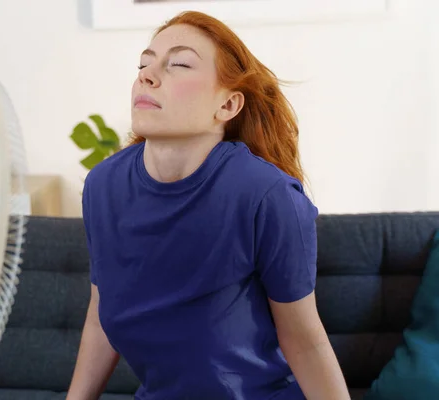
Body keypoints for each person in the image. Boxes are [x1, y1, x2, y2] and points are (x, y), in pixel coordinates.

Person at [67, 10, 350, 400]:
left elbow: (304, 341)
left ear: (228, 106)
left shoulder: (266, 195)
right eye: (143, 64)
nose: (147, 76)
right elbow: (101, 320)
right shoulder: (103, 186)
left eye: (179, 64)